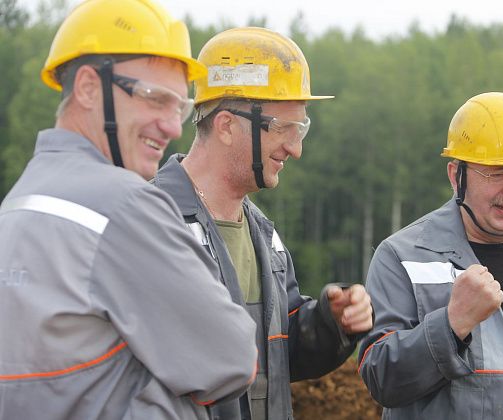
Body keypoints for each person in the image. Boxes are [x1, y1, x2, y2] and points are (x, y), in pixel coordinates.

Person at [0, 1, 257, 419]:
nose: (173, 127)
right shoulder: (124, 205)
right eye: (155, 98)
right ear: (87, 87)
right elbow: (232, 361)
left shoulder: (19, 203)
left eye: (179, 107)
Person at [152, 27, 374, 419]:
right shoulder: (153, 223)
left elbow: (280, 349)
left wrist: (330, 321)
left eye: (301, 128)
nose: (295, 148)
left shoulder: (262, 234)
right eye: (282, 128)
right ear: (226, 125)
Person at [358, 92, 503, 419]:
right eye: (497, 173)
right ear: (456, 176)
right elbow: (381, 379)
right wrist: (452, 325)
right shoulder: (402, 259)